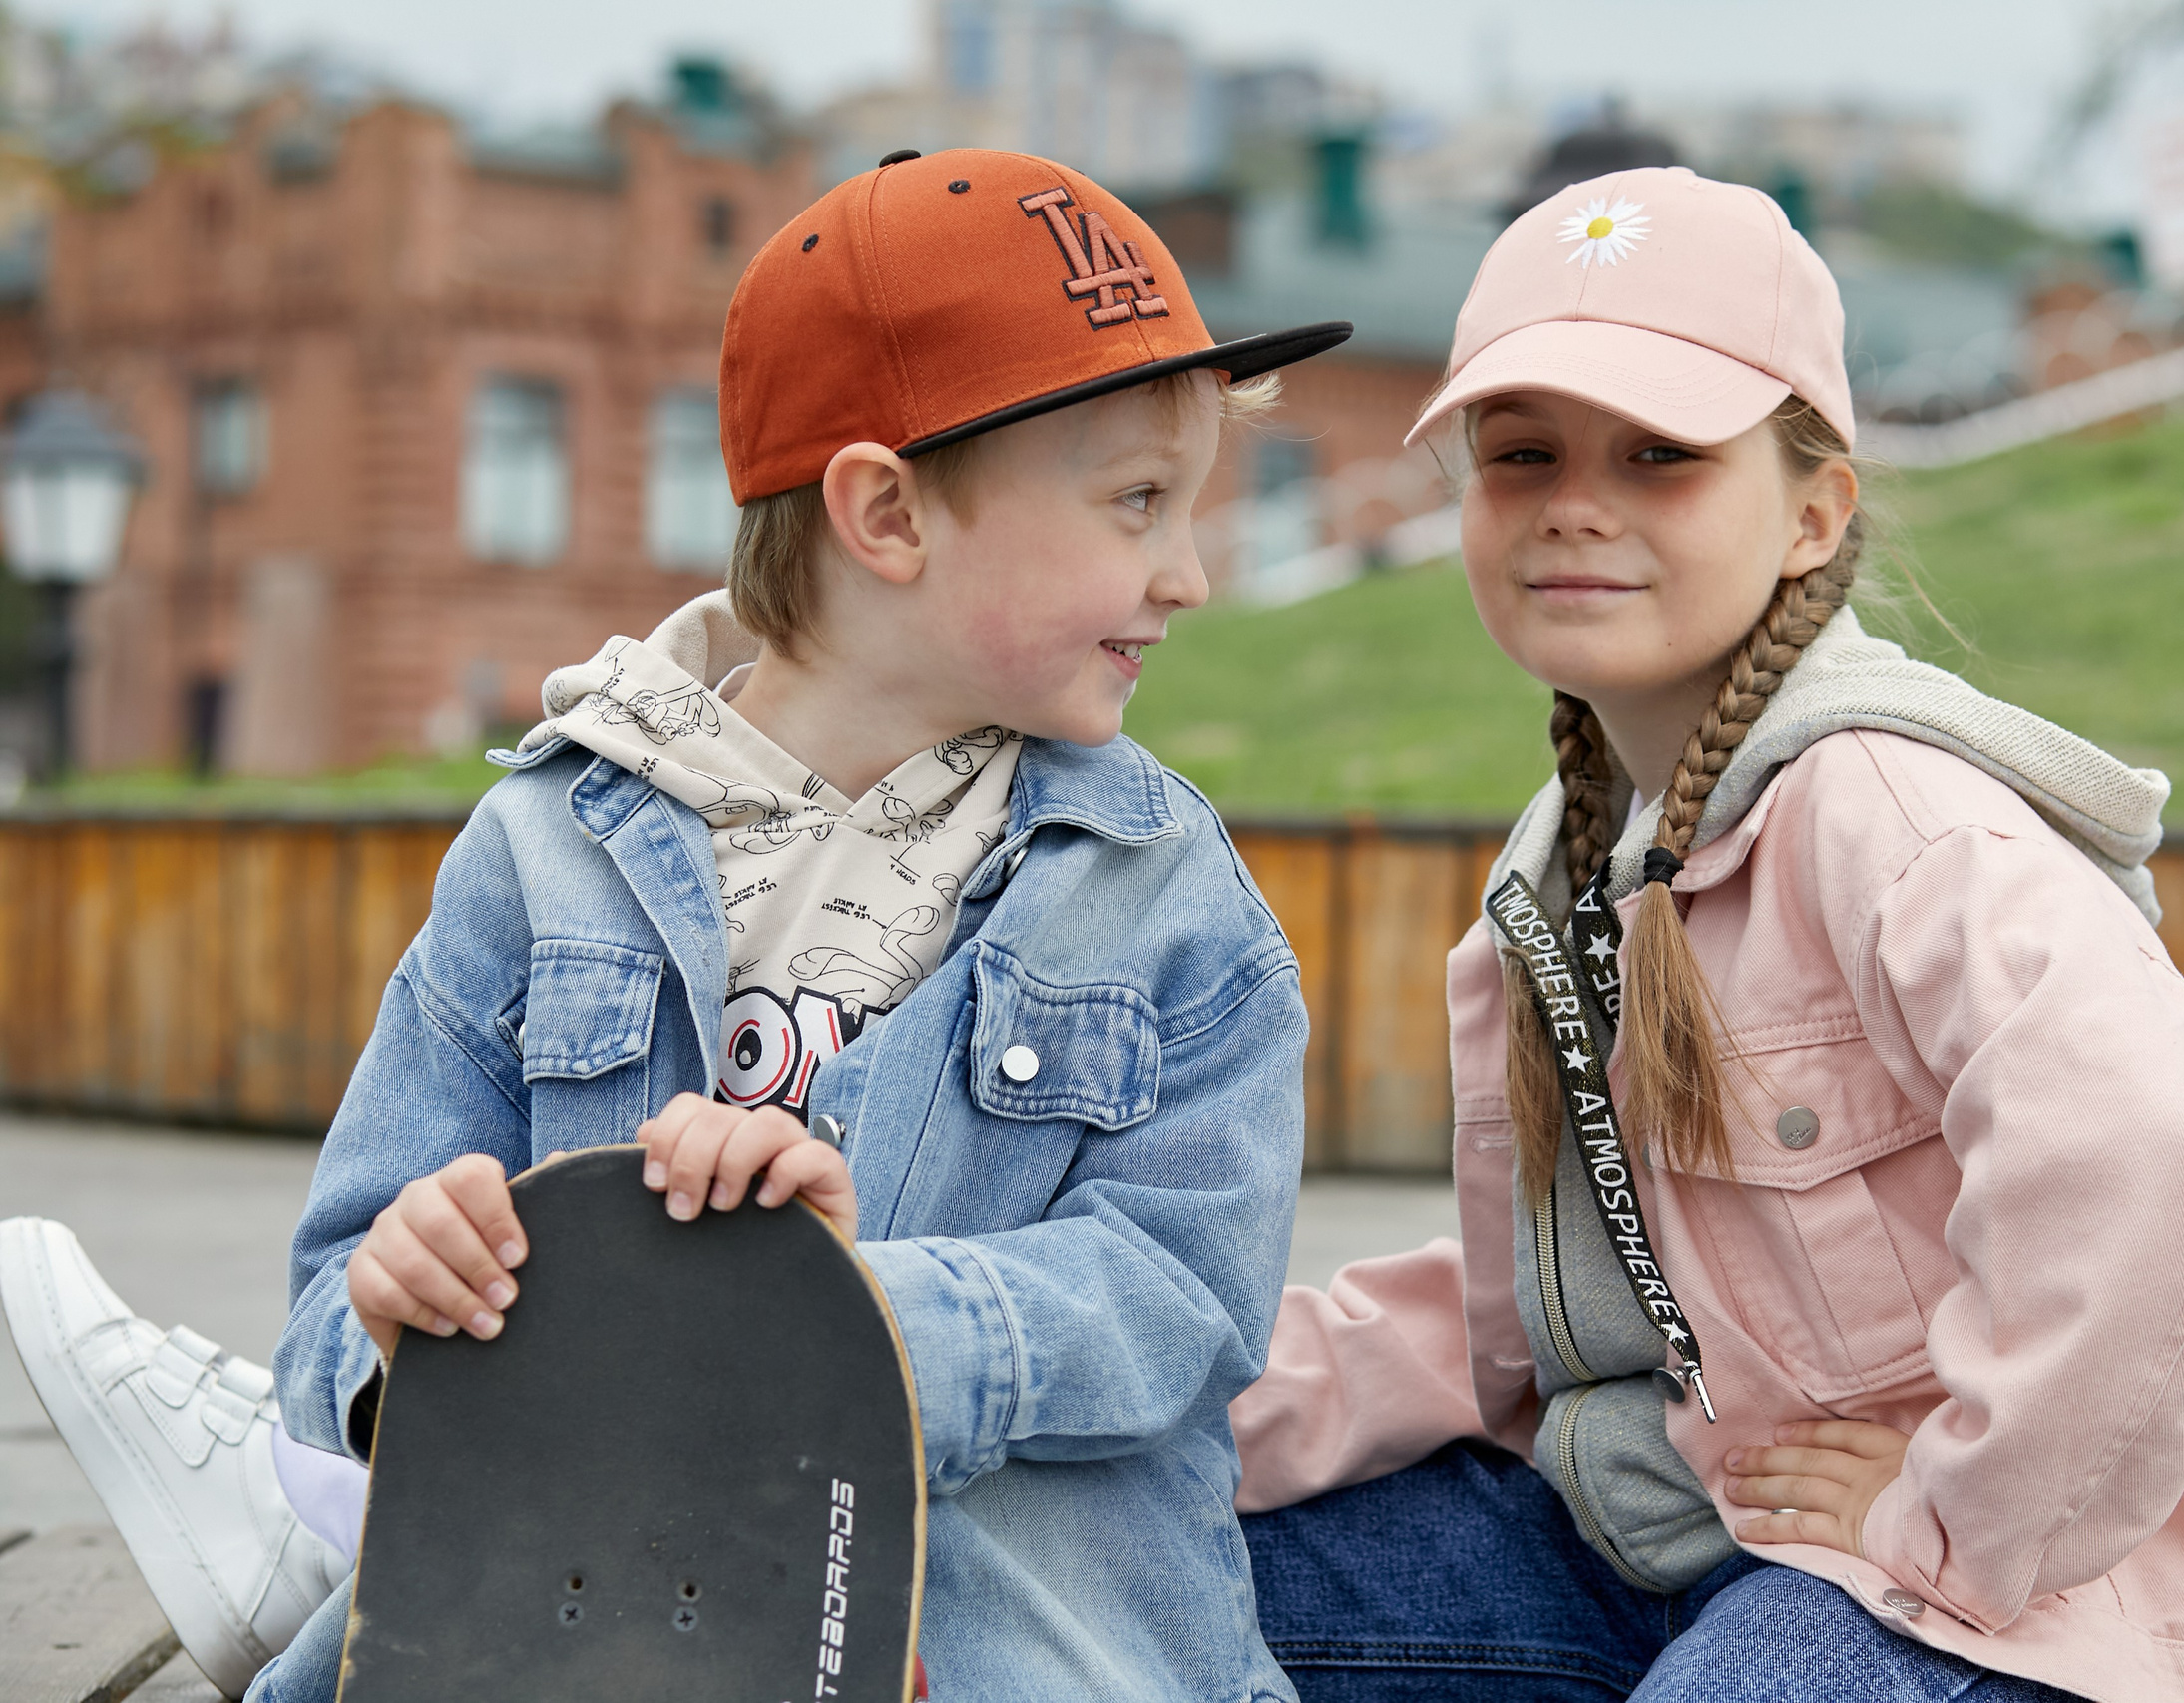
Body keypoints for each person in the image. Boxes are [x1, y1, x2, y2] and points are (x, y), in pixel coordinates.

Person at [2, 148, 1348, 1703]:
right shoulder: (543, 856)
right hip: (578, 1645)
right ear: (887, 515)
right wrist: (404, 1305)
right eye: (1136, 504)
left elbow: (1180, 1305)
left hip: (1017, 1654)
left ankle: (275, 1538)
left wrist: (838, 1318)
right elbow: (336, 1315)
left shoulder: (1166, 893)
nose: (1189, 573)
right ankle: (294, 1535)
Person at [1227, 168, 2184, 1703]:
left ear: (1814, 512)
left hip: (2001, 1599)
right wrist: (1167, 1430)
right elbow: (1507, 1341)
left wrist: (1952, 1513)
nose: (1573, 503)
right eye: (1519, 453)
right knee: (1164, 1582)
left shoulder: (1903, 824)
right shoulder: (1560, 881)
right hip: (1681, 1542)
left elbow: (2167, 1173)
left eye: (1661, 454)